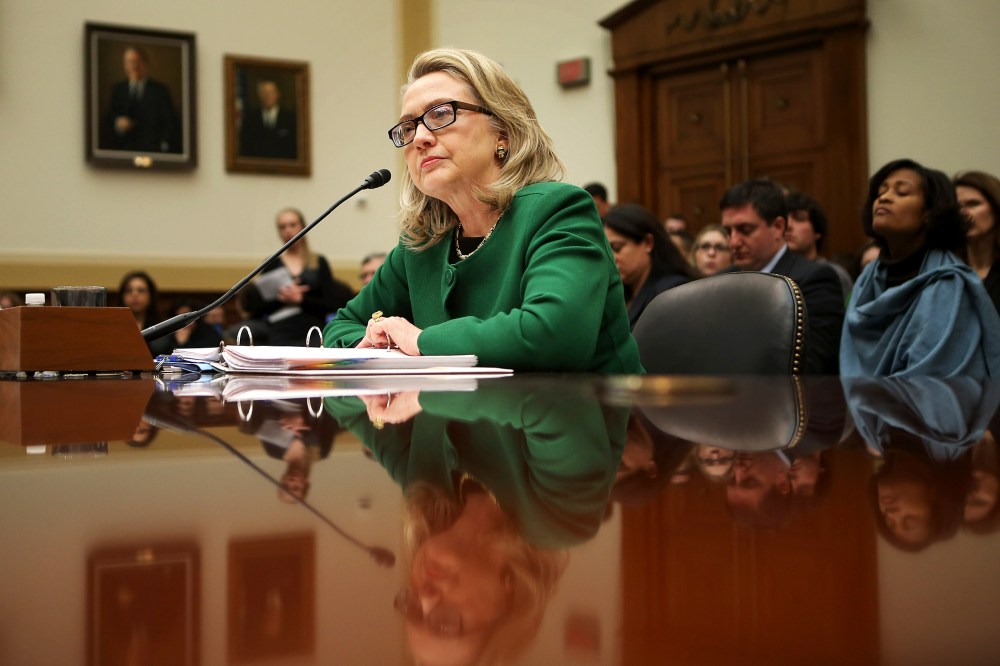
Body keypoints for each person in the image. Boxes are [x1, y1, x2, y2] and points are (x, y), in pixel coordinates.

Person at [323, 48, 641, 373]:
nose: (419, 138)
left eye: (440, 114)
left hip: (581, 405)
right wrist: (379, 343)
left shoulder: (557, 211)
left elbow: (553, 335)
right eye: (407, 128)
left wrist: (419, 341)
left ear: (502, 132)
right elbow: (341, 327)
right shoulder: (420, 244)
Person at [841, 159, 1000, 377]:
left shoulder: (948, 282)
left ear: (929, 213)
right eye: (881, 192)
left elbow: (932, 380)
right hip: (860, 397)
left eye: (902, 192)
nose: (884, 198)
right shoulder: (866, 278)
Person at [720, 178, 845, 374]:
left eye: (745, 230)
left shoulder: (815, 279)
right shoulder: (718, 283)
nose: (734, 242)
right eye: (728, 231)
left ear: (778, 227)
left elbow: (810, 364)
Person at [238, 207, 355, 345]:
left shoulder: (318, 262)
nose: (288, 230)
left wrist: (301, 300)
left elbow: (331, 303)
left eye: (293, 225)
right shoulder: (271, 263)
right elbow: (258, 309)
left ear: (303, 227)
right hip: (280, 329)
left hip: (312, 328)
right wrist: (282, 299)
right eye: (282, 227)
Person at [603, 203, 698, 328]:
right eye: (607, 251)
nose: (612, 258)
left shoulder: (672, 292)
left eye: (617, 248)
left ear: (648, 243)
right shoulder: (617, 294)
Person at [104, 46, 180, 153]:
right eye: (131, 62)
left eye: (138, 61)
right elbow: (109, 117)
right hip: (123, 151)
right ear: (125, 66)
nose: (135, 66)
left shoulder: (160, 91)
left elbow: (170, 123)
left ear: (145, 64)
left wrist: (163, 147)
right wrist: (118, 123)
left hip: (152, 150)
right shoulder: (118, 89)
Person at [784, 190, 854, 302]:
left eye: (799, 218)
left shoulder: (834, 273)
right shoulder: (773, 271)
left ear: (817, 231)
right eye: (784, 220)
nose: (788, 226)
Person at [953, 170, 1000, 313]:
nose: (963, 213)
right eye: (957, 207)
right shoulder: (946, 267)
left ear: (996, 209)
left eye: (973, 204)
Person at [240, 80, 297, 159]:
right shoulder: (250, 118)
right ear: (259, 96)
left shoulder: (290, 118)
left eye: (271, 92)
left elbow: (294, 148)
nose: (268, 96)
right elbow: (245, 148)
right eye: (264, 93)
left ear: (278, 94)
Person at [149, 300, 224, 356]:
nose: (183, 323)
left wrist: (184, 344)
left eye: (187, 318)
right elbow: (162, 356)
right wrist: (179, 344)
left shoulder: (208, 333)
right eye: (178, 318)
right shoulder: (166, 334)